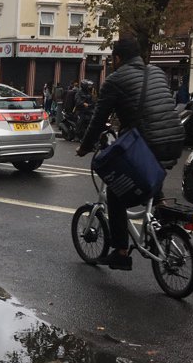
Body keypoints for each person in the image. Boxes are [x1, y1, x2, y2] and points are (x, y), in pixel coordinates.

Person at [76, 37, 184, 270]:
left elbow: (97, 121)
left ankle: (121, 252)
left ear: (117, 58)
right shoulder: (156, 72)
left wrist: (84, 148)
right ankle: (163, 218)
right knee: (150, 177)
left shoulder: (114, 81)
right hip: (176, 139)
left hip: (149, 143)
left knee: (117, 193)